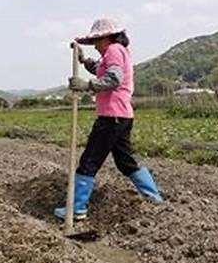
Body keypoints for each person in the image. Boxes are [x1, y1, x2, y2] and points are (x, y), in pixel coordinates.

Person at [54, 18, 162, 220]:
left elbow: (113, 79)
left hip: (111, 117)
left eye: (96, 40)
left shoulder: (113, 49)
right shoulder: (117, 52)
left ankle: (76, 208)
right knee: (125, 162)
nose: (95, 45)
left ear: (107, 37)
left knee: (89, 161)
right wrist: (83, 60)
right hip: (122, 116)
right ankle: (153, 196)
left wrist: (87, 86)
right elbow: (100, 69)